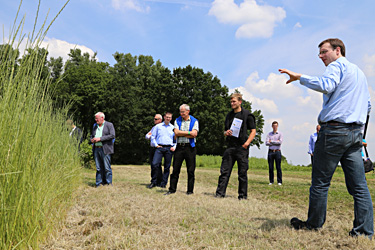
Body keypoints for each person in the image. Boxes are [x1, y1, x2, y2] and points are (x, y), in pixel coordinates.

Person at [279, 38, 373, 238]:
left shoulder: (336, 66)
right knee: (359, 187)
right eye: (319, 53)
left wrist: (300, 77)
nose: (320, 56)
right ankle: (364, 231)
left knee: (320, 183)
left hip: (334, 132)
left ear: (337, 51)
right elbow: (367, 106)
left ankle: (313, 225)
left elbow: (327, 85)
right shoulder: (359, 73)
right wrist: (360, 134)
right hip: (355, 134)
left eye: (324, 52)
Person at [215, 93, 256, 200]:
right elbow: (224, 131)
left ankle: (242, 196)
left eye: (234, 101)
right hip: (230, 147)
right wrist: (226, 133)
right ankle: (220, 194)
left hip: (242, 147)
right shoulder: (229, 115)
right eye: (231, 102)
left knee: (242, 173)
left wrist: (246, 144)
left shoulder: (247, 114)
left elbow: (253, 131)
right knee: (224, 171)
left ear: (240, 102)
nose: (232, 103)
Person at [165, 104, 199, 195]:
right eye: (180, 112)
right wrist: (188, 133)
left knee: (191, 170)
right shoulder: (177, 120)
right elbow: (176, 132)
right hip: (179, 147)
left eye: (183, 112)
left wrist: (181, 133)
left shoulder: (194, 121)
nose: (181, 113)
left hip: (190, 147)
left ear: (188, 111)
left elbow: (194, 134)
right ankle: (172, 189)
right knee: (175, 169)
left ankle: (190, 191)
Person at [148, 112, 175, 189]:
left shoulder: (173, 127)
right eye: (167, 117)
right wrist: (156, 145)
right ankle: (154, 181)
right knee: (154, 164)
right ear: (164, 117)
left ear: (171, 118)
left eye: (170, 117)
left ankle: (163, 183)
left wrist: (174, 147)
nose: (168, 118)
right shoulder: (158, 126)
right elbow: (153, 137)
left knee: (167, 167)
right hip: (159, 147)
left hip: (169, 148)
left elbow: (176, 139)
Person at [90, 112, 115, 187]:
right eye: (95, 118)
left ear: (102, 118)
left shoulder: (109, 125)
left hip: (105, 149)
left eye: (97, 118)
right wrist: (92, 140)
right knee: (98, 167)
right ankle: (99, 183)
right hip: (96, 149)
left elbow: (112, 135)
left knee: (107, 167)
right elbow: (92, 135)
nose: (96, 120)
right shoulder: (94, 126)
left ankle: (108, 183)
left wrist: (100, 139)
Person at [145, 114, 163, 187]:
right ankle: (156, 181)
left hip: (157, 148)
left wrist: (151, 136)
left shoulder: (161, 128)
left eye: (156, 119)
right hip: (152, 148)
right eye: (154, 119)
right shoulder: (154, 127)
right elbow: (147, 136)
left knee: (156, 165)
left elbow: (151, 136)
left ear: (160, 120)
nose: (154, 120)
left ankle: (157, 181)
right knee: (154, 165)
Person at [265, 121, 283, 185]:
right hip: (270, 152)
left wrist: (271, 141)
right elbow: (266, 143)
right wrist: (276, 141)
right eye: (274, 126)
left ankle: (279, 181)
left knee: (278, 167)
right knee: (270, 167)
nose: (275, 127)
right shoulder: (269, 134)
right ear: (272, 126)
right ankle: (271, 181)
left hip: (277, 151)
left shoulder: (280, 134)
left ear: (277, 126)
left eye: (276, 126)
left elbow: (280, 142)